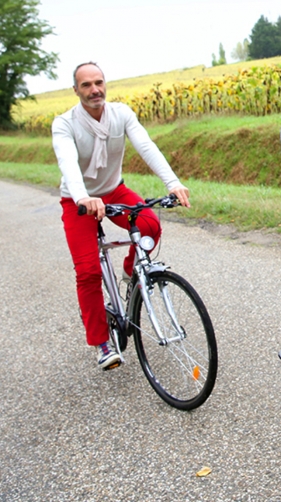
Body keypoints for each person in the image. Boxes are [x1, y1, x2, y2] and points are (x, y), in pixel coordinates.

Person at [52, 62, 191, 370]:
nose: (94, 90)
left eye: (98, 82)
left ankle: (131, 272)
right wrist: (83, 197)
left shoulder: (121, 114)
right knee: (88, 271)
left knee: (149, 225)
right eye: (86, 85)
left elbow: (147, 146)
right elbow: (68, 163)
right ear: (75, 90)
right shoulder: (64, 124)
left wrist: (174, 183)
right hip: (79, 201)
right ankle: (102, 343)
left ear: (106, 84)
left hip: (114, 190)